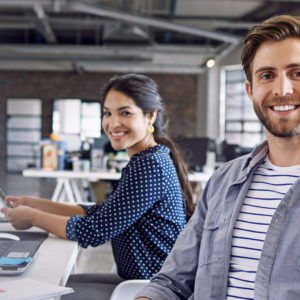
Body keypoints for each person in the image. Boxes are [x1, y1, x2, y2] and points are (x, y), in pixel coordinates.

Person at [136, 14, 300, 300]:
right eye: (267, 75)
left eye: (297, 73)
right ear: (250, 91)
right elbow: (172, 282)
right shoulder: (224, 181)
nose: (282, 90)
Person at [1, 74, 194, 299]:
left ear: (150, 117)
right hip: (134, 279)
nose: (113, 124)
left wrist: (33, 217)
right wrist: (37, 204)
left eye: (125, 113)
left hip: (147, 289)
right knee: (53, 282)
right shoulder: (146, 159)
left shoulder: (150, 166)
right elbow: (101, 214)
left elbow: (93, 232)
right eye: (107, 113)